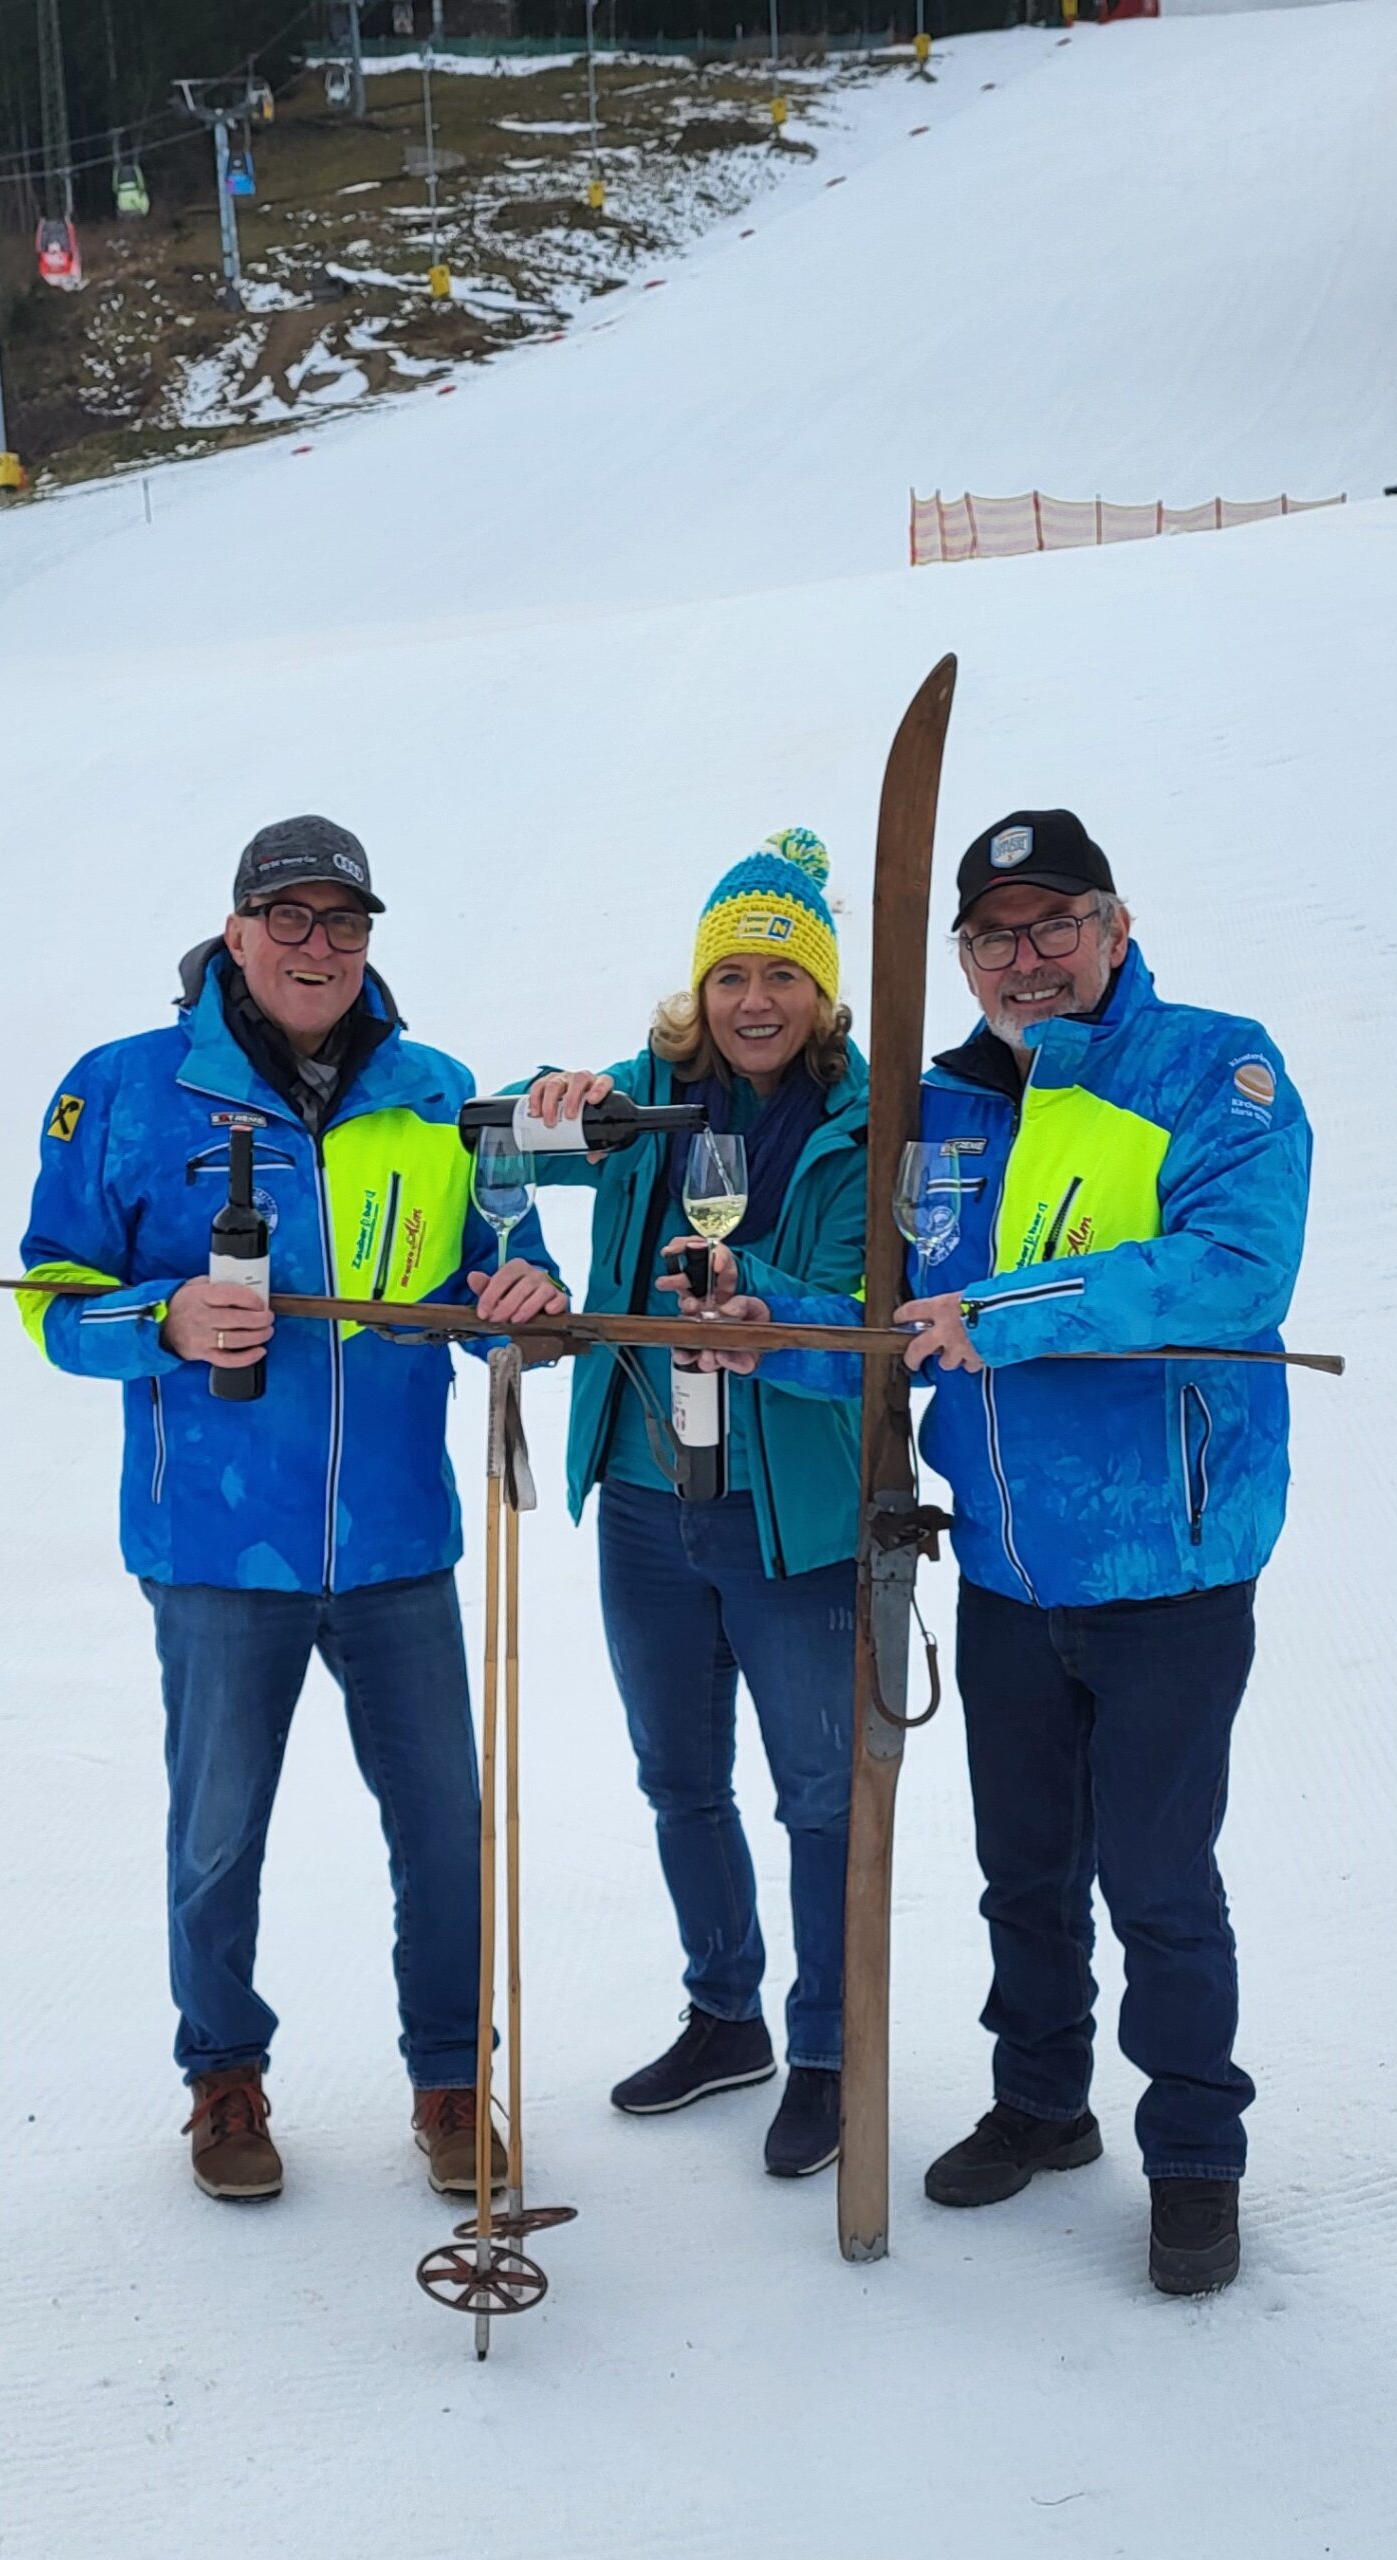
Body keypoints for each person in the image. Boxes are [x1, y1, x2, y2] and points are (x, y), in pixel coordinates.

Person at [713, 809, 1312, 2293]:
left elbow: (1232, 1273)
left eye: (1054, 925)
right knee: (1020, 1872)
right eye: (992, 936)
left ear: (1114, 925)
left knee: (1159, 1879)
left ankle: (1192, 2154)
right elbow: (899, 1330)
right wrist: (767, 1324)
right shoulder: (949, 1110)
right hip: (1000, 1567)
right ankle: (1042, 2105)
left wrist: (1013, 1313)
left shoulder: (1209, 1068)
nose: (1024, 959)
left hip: (1165, 1567)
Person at [18, 815, 565, 2204]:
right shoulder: (127, 1093)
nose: (320, 947)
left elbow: (507, 1285)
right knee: (218, 1827)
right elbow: (48, 1299)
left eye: (346, 921)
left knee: (445, 1822)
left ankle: (453, 2079)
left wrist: (518, 1309)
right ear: (238, 931)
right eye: (293, 918)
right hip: (215, 1543)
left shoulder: (446, 1098)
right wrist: (161, 1318)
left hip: (394, 1540)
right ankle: (223, 2081)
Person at [519, 829, 868, 2179]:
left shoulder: (858, 1121)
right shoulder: (645, 1096)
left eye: (781, 975)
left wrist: (765, 1312)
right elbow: (492, 1128)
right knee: (678, 1775)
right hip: (646, 1498)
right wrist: (550, 1099)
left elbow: (862, 1333)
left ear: (821, 993)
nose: (754, 1002)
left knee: (820, 1790)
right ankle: (724, 2015)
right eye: (731, 974)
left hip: (791, 1511)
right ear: (699, 988)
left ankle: (832, 2046)